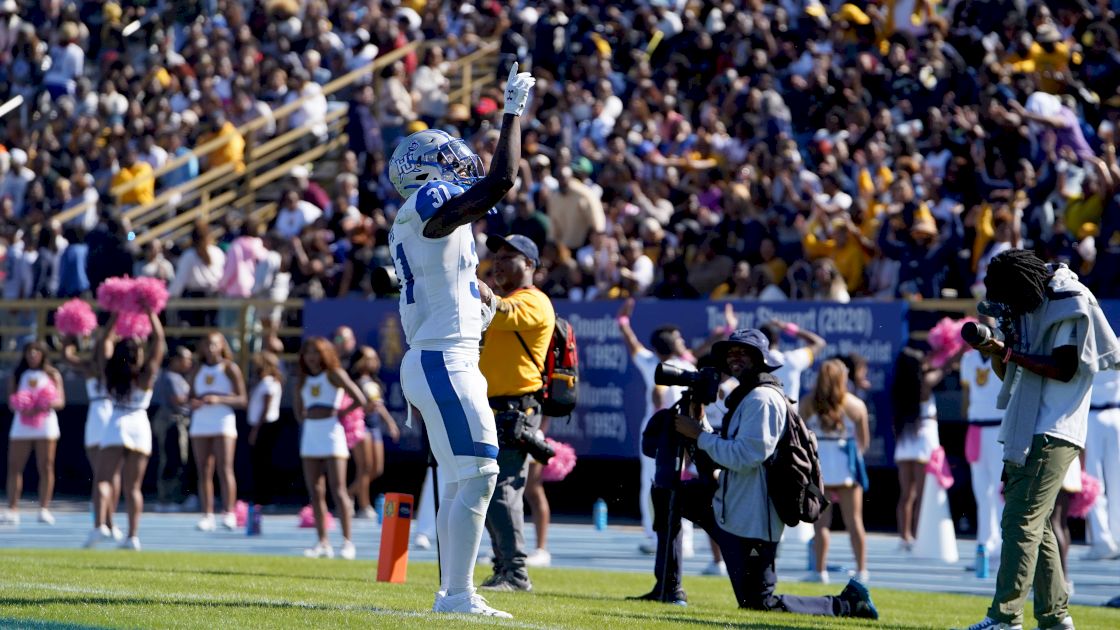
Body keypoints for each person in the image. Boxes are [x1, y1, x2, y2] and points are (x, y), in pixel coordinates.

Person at [387, 63, 535, 618]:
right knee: (479, 473)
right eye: (444, 157)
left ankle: (455, 592)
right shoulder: (427, 205)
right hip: (443, 359)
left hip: (442, 356)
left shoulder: (421, 221)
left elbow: (447, 278)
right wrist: (513, 111)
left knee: (459, 478)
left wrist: (479, 297)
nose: (456, 162)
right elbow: (500, 181)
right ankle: (457, 595)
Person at [959, 250, 1120, 630]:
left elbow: (1064, 368)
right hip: (1030, 424)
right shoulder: (1032, 305)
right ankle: (1054, 615)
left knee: (1020, 522)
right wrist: (996, 350)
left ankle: (1005, 616)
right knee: (1038, 522)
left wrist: (1008, 350)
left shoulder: (1068, 299)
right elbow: (1012, 376)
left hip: (1055, 427)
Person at [667, 329, 878, 620]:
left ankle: (847, 604)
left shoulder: (762, 399)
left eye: (743, 352)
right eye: (731, 353)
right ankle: (668, 588)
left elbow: (746, 456)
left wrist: (700, 436)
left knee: (759, 603)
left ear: (760, 359)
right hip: (734, 508)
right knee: (671, 496)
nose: (734, 357)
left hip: (754, 520)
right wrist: (700, 423)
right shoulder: (749, 395)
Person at [477, 233, 556, 592]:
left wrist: (472, 283)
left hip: (516, 408)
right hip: (495, 406)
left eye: (510, 256)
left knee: (504, 487)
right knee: (490, 488)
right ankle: (503, 567)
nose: (499, 262)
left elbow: (504, 312)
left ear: (531, 266)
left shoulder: (534, 301)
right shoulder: (508, 300)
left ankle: (516, 573)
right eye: (497, 255)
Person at [616, 298, 697, 556]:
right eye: (678, 338)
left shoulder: (662, 365)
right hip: (679, 431)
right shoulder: (682, 367)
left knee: (656, 485)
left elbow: (633, 346)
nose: (682, 340)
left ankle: (659, 537)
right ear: (671, 344)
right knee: (675, 483)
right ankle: (680, 540)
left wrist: (623, 322)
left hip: (663, 433)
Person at [86, 309, 164, 550]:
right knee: (133, 487)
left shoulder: (110, 372)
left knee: (103, 479)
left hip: (116, 422)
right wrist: (150, 312)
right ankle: (132, 536)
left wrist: (116, 316)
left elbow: (102, 343)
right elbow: (159, 341)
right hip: (140, 425)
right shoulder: (146, 375)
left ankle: (100, 526)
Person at [296, 337, 366, 559]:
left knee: (338, 489)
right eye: (307, 352)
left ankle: (347, 542)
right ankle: (322, 542)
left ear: (324, 353)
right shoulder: (302, 379)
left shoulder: (334, 374)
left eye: (315, 352)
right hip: (311, 434)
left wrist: (341, 414)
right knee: (315, 491)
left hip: (332, 432)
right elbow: (299, 408)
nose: (311, 357)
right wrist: (306, 420)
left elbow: (360, 399)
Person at [802, 359, 871, 584]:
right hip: (846, 469)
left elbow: (800, 438)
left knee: (821, 525)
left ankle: (819, 572)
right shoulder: (856, 405)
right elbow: (864, 442)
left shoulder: (808, 403)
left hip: (820, 468)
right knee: (855, 522)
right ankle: (862, 571)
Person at [891, 346, 948, 551]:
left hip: (906, 441)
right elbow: (945, 367)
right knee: (923, 494)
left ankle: (904, 536)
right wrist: (955, 351)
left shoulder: (899, 387)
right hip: (923, 438)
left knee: (907, 494)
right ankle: (918, 535)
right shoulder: (924, 383)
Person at [188, 332, 247, 532]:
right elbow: (191, 397)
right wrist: (193, 403)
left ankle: (229, 512)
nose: (210, 348)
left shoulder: (230, 368)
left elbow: (242, 399)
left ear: (222, 346)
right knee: (204, 469)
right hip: (201, 421)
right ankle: (207, 514)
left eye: (214, 344)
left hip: (223, 420)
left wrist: (218, 399)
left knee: (225, 467)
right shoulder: (197, 369)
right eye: (207, 344)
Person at [63, 336, 120, 535]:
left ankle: (109, 520)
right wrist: (69, 335)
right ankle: (102, 522)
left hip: (114, 418)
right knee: (101, 474)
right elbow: (68, 357)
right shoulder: (90, 368)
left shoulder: (121, 368)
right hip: (98, 419)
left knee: (114, 475)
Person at [2, 341, 65, 525]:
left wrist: (41, 404)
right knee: (14, 466)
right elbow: (11, 401)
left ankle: (44, 508)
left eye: (37, 351)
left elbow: (60, 401)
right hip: (22, 424)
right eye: (30, 351)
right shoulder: (17, 374)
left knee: (46, 466)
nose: (33, 355)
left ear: (43, 354)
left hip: (45, 424)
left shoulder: (52, 374)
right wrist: (23, 405)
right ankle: (12, 509)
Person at [960, 335, 1006, 558]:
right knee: (981, 489)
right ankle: (985, 540)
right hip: (976, 427)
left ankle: (1002, 541)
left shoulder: (1001, 355)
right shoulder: (968, 359)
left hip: (998, 427)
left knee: (1000, 489)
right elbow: (967, 395)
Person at [350, 347, 401, 518]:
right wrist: (364, 407)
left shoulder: (374, 382)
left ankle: (348, 492)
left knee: (376, 469)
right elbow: (354, 405)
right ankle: (364, 506)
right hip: (360, 425)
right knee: (364, 468)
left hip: (374, 426)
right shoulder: (354, 382)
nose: (372, 361)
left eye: (374, 357)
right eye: (368, 358)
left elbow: (378, 406)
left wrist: (390, 423)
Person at [1083, 369, 1120, 560]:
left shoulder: (1091, 340)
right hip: (1115, 414)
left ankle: (1102, 539)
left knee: (1094, 480)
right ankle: (1115, 536)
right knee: (1116, 482)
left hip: (1094, 415)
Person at [151, 346, 193, 512]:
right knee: (171, 459)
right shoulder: (169, 377)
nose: (189, 362)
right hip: (171, 421)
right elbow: (177, 400)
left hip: (177, 420)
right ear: (175, 360)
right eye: (186, 359)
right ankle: (167, 499)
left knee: (177, 460)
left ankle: (174, 497)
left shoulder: (178, 377)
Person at [247, 352, 283, 508]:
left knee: (263, 463)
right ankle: (261, 497)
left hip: (265, 426)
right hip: (262, 426)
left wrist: (256, 429)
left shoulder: (269, 383)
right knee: (260, 463)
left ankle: (265, 498)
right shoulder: (263, 382)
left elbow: (265, 408)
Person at [763, 319, 826, 402]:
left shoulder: (752, 363)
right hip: (788, 414)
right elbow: (819, 343)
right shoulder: (791, 360)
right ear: (777, 339)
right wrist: (786, 327)